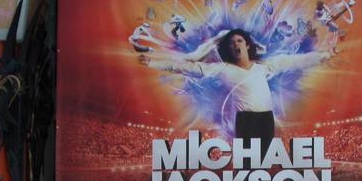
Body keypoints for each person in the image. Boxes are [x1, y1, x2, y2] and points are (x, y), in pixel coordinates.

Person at [139, 28, 334, 146]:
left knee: (264, 161)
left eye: (239, 40)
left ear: (247, 45)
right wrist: (152, 63)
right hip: (245, 121)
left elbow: (295, 62)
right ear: (228, 49)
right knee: (248, 163)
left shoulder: (264, 67)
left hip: (266, 119)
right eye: (231, 43)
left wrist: (324, 56)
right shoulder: (222, 69)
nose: (235, 44)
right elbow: (185, 67)